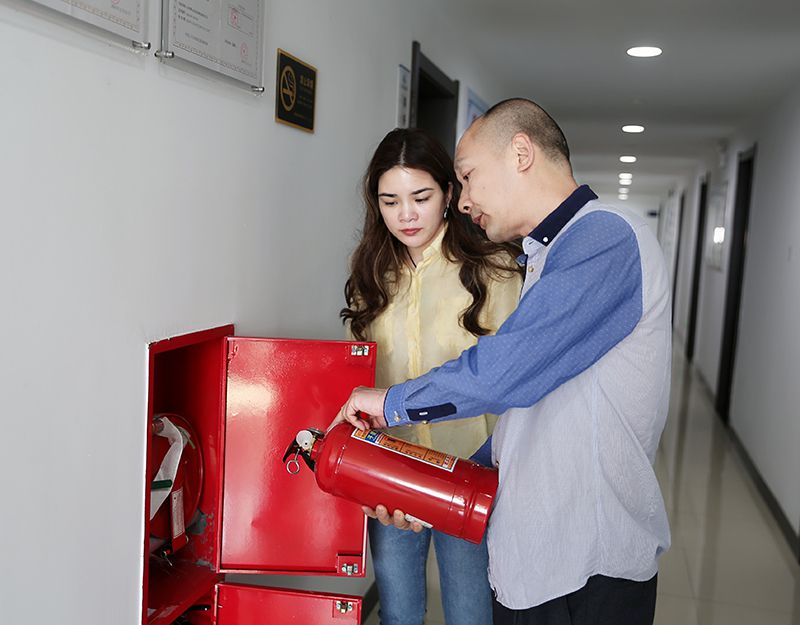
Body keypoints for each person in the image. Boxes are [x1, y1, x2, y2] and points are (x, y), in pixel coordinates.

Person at [331, 99, 672, 625]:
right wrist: (425, 483)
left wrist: (391, 403)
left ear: (520, 153)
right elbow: (528, 408)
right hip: (538, 546)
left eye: (467, 177)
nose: (465, 200)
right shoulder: (544, 253)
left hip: (586, 558)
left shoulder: (602, 237)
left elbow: (503, 373)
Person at [341, 127, 522, 625]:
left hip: (470, 467)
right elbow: (361, 374)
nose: (406, 215)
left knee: (470, 613)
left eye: (420, 197)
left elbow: (510, 380)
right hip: (390, 468)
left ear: (448, 193)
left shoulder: (494, 270)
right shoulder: (372, 274)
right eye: (390, 201)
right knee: (398, 613)